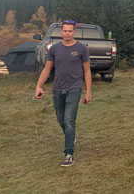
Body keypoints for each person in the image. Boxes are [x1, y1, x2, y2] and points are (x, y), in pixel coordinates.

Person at [34, 20, 92, 167]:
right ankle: (70, 137)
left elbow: (86, 70)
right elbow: (47, 69)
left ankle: (68, 154)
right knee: (61, 120)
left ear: (74, 32)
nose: (67, 33)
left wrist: (88, 92)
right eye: (65, 31)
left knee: (68, 120)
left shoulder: (81, 49)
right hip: (57, 89)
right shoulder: (54, 49)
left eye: (70, 31)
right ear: (61, 32)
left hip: (74, 88)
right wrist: (38, 86)